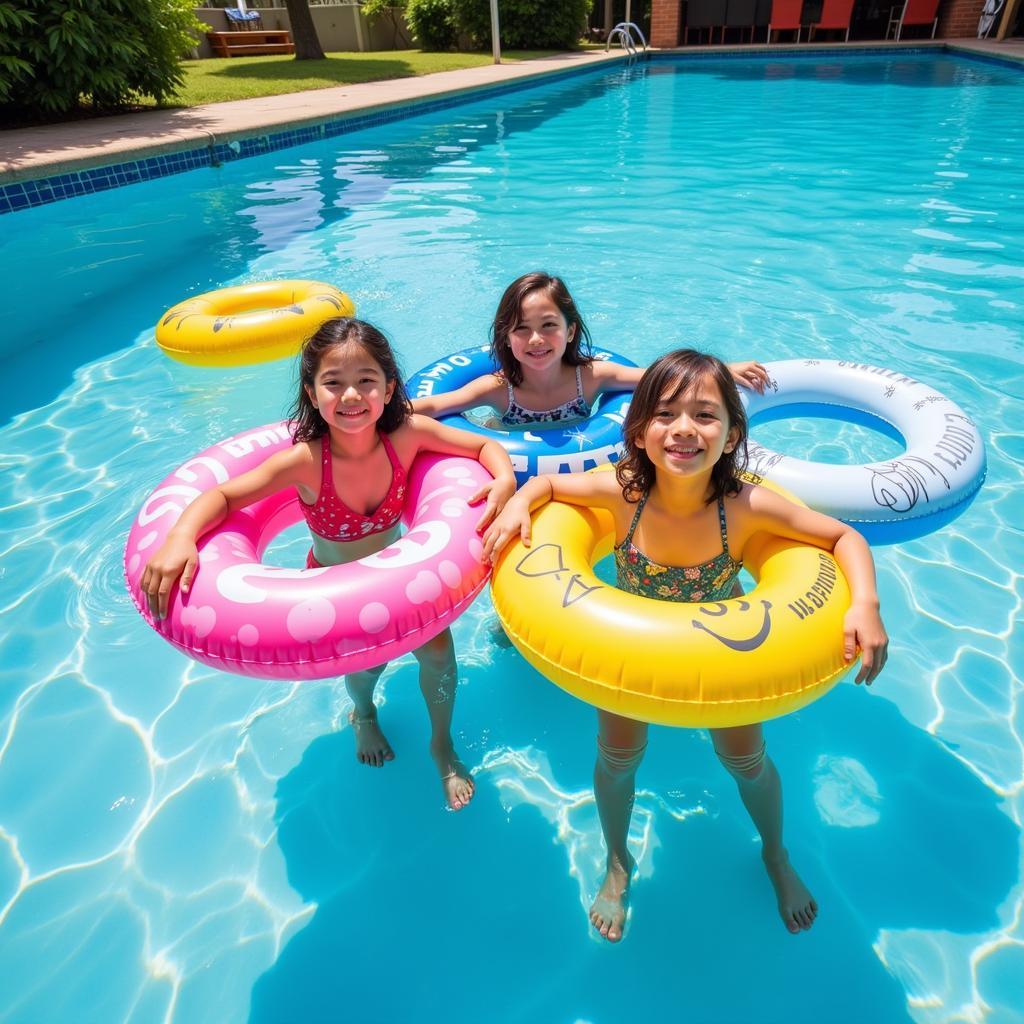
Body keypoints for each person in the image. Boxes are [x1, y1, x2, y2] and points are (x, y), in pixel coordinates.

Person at [482, 348, 889, 940]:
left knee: (746, 762)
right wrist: (520, 498)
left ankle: (774, 852)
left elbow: (844, 536)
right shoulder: (624, 494)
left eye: (705, 415)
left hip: (726, 661)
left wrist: (865, 605)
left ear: (730, 435)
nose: (684, 429)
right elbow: (547, 484)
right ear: (641, 429)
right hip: (630, 653)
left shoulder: (742, 507)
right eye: (667, 413)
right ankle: (618, 861)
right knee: (618, 757)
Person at [141, 317, 518, 812]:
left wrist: (506, 481)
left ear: (388, 387)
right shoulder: (304, 461)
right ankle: (363, 713)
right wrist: (181, 536)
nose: (351, 396)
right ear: (312, 391)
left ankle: (441, 744)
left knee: (441, 657)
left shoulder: (403, 438)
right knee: (369, 664)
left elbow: (482, 445)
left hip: (405, 582)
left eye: (366, 380)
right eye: (333, 383)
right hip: (334, 587)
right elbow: (225, 494)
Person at [410, 271, 770, 426]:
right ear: (506, 338)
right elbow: (437, 404)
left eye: (549, 326)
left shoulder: (593, 377)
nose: (536, 339)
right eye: (522, 330)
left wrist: (722, 368)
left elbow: (662, 378)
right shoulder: (498, 390)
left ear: (570, 332)